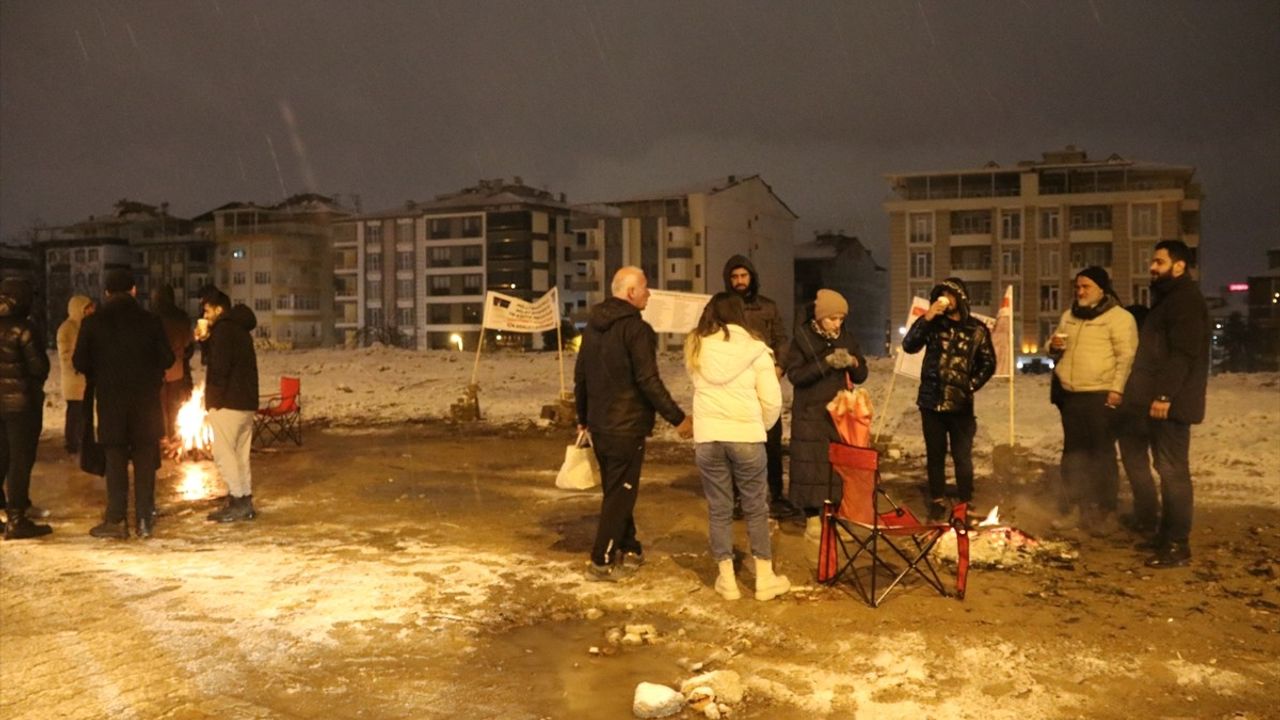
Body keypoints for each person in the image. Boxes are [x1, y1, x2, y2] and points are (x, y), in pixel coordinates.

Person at [574, 266, 693, 581]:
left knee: (616, 490)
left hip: (601, 425)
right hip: (626, 427)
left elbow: (581, 376)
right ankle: (601, 560)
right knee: (620, 494)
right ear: (630, 293)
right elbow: (648, 380)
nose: (649, 293)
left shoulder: (592, 326)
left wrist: (583, 418)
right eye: (645, 288)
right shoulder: (636, 330)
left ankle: (631, 547)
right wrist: (678, 418)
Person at [685, 292, 790, 601]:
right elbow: (772, 400)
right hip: (746, 434)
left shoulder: (697, 348)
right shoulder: (757, 350)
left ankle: (727, 580)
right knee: (756, 507)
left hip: (708, 437)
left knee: (719, 508)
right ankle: (764, 579)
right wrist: (761, 426)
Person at [1121, 240, 1209, 569]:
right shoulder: (1169, 299)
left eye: (1159, 262)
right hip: (1160, 402)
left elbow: (1182, 354)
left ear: (1179, 266)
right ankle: (1166, 536)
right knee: (1166, 470)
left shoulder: (1184, 301)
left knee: (1173, 473)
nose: (1152, 267)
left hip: (1171, 404)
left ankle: (1177, 545)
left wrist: (1164, 396)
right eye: (1152, 262)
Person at [73, 270, 174, 539]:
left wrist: (101, 371)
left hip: (110, 403)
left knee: (115, 460)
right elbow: (167, 358)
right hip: (145, 404)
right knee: (144, 460)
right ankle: (144, 518)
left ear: (106, 293)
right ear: (133, 290)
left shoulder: (93, 323)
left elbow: (79, 362)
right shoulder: (150, 321)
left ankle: (116, 519)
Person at [1047, 266, 1138, 535]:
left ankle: (1103, 511)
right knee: (1072, 455)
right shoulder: (1069, 316)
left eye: (1086, 286)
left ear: (1102, 288)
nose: (1080, 292)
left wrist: (1117, 390)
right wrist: (1052, 346)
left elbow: (1126, 357)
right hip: (1071, 395)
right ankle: (1074, 507)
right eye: (1077, 287)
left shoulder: (1119, 318)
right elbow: (1052, 348)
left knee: (1102, 456)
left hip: (1101, 395)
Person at [901, 278, 997, 520]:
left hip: (961, 405)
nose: (945, 299)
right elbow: (909, 345)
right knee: (935, 454)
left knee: (962, 455)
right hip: (931, 402)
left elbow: (988, 363)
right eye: (942, 294)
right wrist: (927, 317)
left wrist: (970, 385)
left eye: (950, 295)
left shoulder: (977, 329)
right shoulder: (933, 325)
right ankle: (937, 500)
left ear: (960, 299)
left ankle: (965, 499)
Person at [785, 289, 868, 540]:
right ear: (820, 317)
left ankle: (836, 515)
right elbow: (796, 376)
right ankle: (812, 517)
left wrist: (853, 362)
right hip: (809, 411)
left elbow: (862, 374)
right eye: (832, 318)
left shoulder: (847, 337)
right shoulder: (802, 338)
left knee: (836, 464)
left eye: (841, 318)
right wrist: (826, 363)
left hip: (838, 411)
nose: (837, 324)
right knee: (810, 464)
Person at [723, 255, 794, 518]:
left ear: (751, 277)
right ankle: (738, 497)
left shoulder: (768, 307)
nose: (740, 281)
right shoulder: (721, 308)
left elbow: (782, 339)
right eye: (734, 277)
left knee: (771, 442)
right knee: (736, 444)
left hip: (764, 386)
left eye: (743, 276)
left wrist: (779, 368)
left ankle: (775, 495)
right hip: (734, 387)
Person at [197, 289, 260, 523]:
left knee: (224, 453)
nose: (204, 314)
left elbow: (219, 368)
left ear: (219, 309)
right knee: (240, 455)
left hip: (228, 403)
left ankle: (237, 499)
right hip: (246, 401)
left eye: (207, 310)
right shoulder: (239, 329)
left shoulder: (223, 330)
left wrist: (213, 402)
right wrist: (205, 342)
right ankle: (244, 499)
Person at [0, 277, 52, 540]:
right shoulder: (24, 329)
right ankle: (17, 518)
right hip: (21, 407)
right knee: (20, 460)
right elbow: (40, 368)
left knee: (1, 457)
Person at [1115, 303, 1157, 534]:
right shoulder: (1157, 344)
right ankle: (1151, 512)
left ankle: (1147, 514)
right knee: (1149, 465)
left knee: (1136, 463)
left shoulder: (1131, 347)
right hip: (1150, 409)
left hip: (1134, 411)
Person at [151, 284, 194, 448]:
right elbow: (188, 343)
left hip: (157, 367)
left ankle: (162, 437)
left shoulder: (153, 317)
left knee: (160, 404)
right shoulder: (181, 317)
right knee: (174, 403)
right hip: (177, 365)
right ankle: (175, 434)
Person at [57, 295, 94, 455]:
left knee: (84, 413)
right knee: (75, 412)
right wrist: (77, 366)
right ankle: (72, 442)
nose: (91, 310)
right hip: (74, 379)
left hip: (84, 379)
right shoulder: (67, 328)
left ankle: (82, 440)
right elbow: (65, 355)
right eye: (88, 307)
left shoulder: (86, 327)